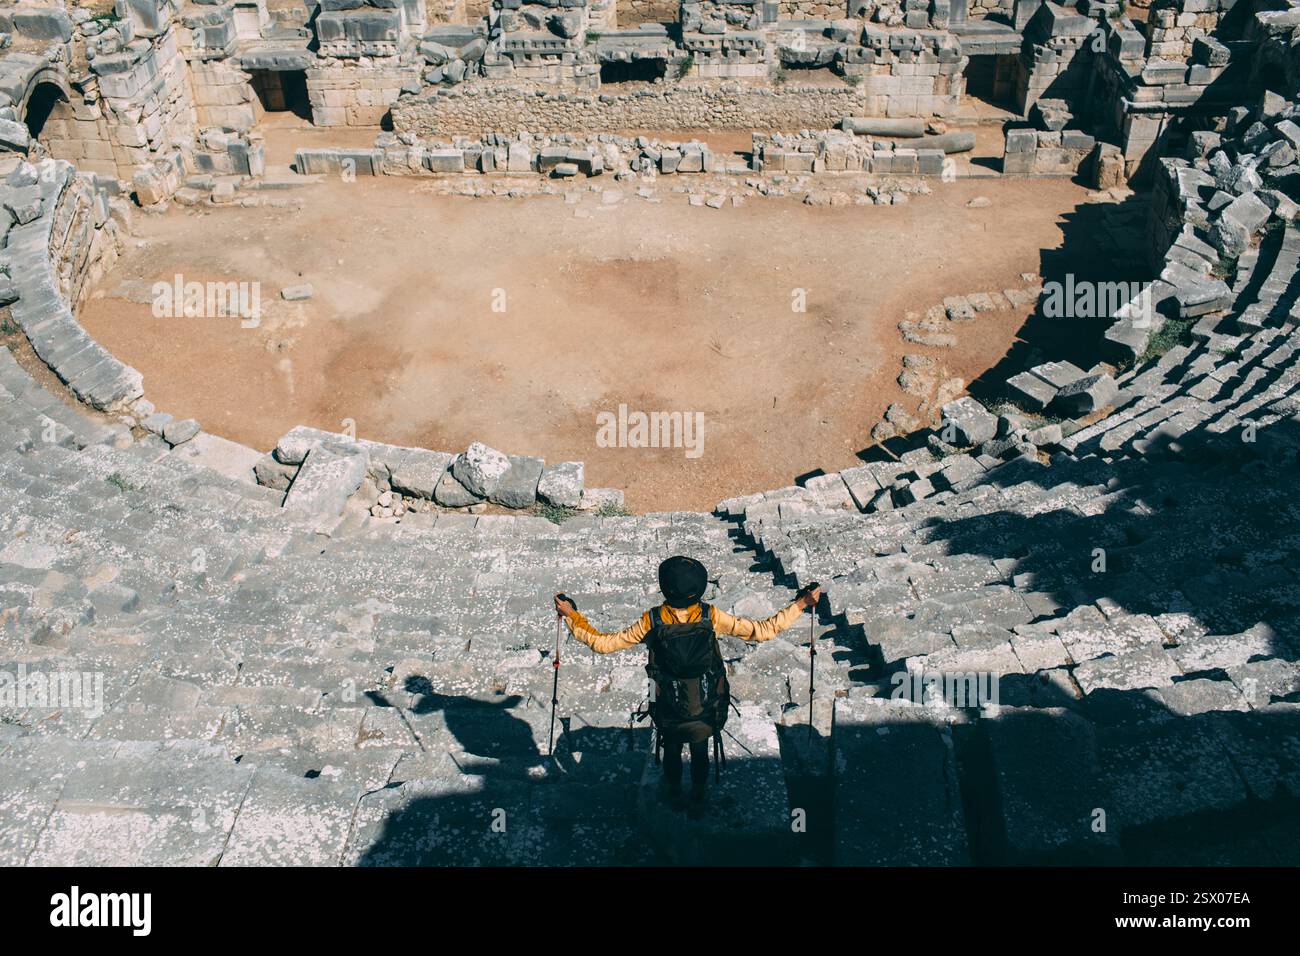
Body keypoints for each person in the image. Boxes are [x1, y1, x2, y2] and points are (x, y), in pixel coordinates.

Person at [553, 555, 820, 813]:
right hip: (706, 705)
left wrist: (572, 615)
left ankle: (673, 792)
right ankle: (698, 794)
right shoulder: (710, 616)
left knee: (670, 747)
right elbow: (764, 630)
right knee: (700, 748)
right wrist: (801, 604)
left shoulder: (652, 621)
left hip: (665, 706)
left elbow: (603, 644)